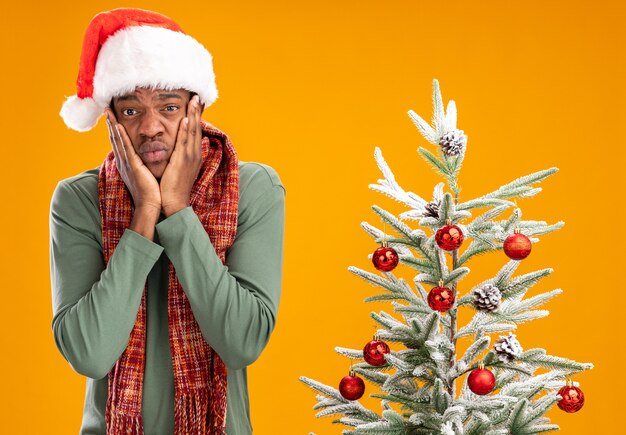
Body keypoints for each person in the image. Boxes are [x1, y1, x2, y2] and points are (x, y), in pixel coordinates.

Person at [50, 8, 285, 435]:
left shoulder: (252, 188)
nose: (151, 128)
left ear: (196, 110)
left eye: (169, 107)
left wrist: (177, 210)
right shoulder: (78, 199)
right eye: (131, 112)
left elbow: (242, 341)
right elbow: (89, 353)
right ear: (112, 120)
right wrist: (143, 215)